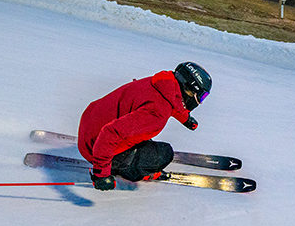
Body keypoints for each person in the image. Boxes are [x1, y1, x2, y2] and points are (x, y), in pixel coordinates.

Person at [78, 62, 212, 191]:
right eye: (201, 96)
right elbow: (110, 133)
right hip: (95, 148)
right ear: (190, 90)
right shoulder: (157, 114)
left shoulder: (161, 83)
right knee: (164, 153)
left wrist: (185, 117)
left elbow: (171, 99)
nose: (200, 101)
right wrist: (101, 174)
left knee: (143, 133)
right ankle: (130, 169)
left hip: (89, 124)